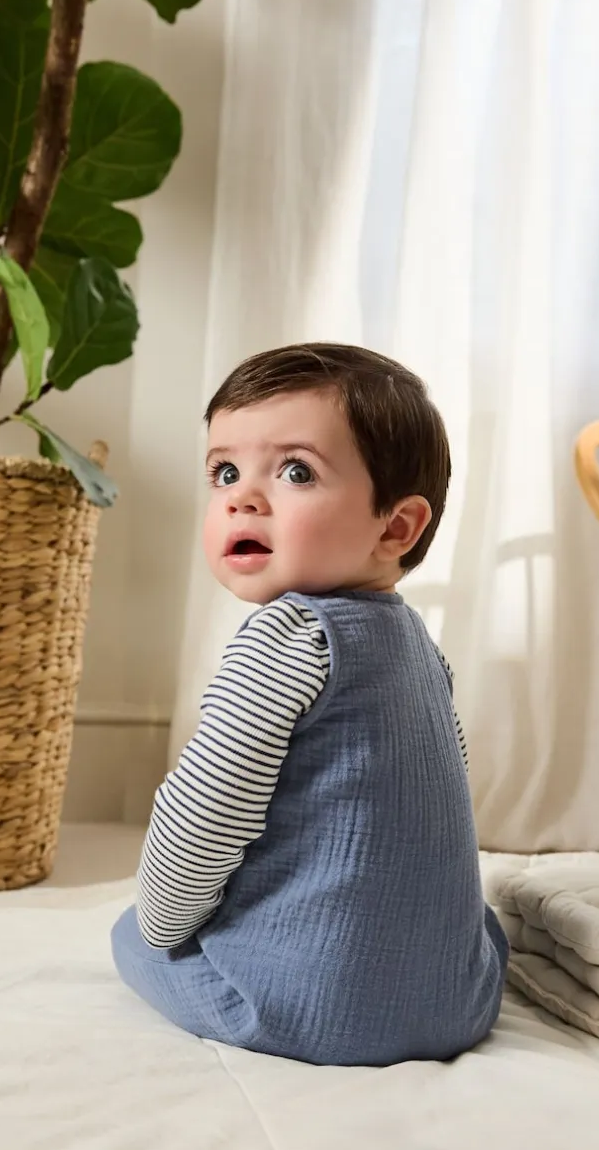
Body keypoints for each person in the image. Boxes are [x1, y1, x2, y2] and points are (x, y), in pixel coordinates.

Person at [111, 342, 508, 1066]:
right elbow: (435, 803)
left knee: (131, 937)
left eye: (296, 472)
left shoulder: (285, 637)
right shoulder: (420, 644)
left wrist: (162, 924)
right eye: (225, 472)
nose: (242, 498)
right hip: (460, 1003)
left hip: (308, 1009)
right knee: (481, 921)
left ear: (396, 527)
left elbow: (201, 813)